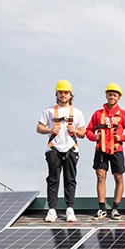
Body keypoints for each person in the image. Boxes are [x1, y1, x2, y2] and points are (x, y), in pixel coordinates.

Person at [36, 79, 86, 223]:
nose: (63, 95)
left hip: (71, 149)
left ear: (71, 95)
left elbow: (83, 133)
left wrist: (75, 130)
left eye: (66, 93)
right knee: (53, 179)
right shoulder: (49, 111)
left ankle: (70, 208)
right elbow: (39, 128)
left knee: (70, 179)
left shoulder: (77, 113)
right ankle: (52, 209)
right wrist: (50, 129)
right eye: (61, 92)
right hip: (54, 148)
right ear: (57, 94)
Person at [85, 83, 125, 220]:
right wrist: (94, 137)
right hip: (100, 149)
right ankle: (102, 208)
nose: (112, 97)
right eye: (110, 94)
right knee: (101, 177)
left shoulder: (124, 114)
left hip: (117, 150)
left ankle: (115, 208)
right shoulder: (98, 114)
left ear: (119, 97)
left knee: (118, 177)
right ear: (106, 95)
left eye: (115, 95)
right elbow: (88, 130)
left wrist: (121, 138)